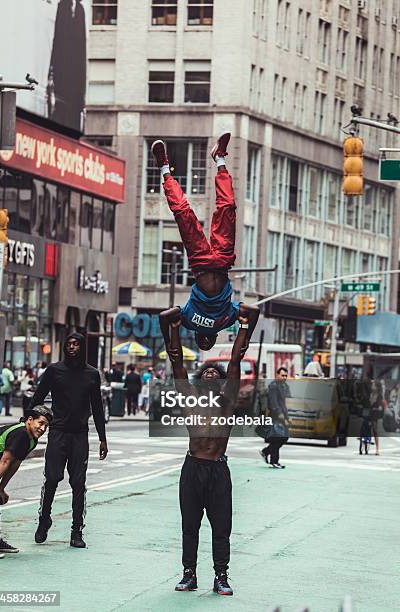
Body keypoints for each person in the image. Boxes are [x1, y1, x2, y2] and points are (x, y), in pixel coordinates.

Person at [163, 311, 254, 596]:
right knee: (189, 526)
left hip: (218, 470)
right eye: (206, 372)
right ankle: (189, 574)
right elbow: (176, 360)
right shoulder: (190, 399)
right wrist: (175, 329)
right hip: (192, 469)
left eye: (216, 371)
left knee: (221, 527)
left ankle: (221, 577)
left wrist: (244, 326)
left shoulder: (227, 401)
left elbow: (237, 359)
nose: (211, 372)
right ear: (200, 380)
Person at [154, 134, 260, 353]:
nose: (205, 343)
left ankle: (164, 167)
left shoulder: (188, 320)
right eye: (208, 344)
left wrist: (169, 341)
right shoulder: (227, 320)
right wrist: (246, 337)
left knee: (183, 213)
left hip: (200, 262)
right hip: (222, 261)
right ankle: (220, 158)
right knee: (228, 207)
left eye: (202, 344)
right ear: (214, 340)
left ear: (196, 337)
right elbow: (254, 311)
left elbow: (163, 316)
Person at [28, 333, 108, 548]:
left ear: (83, 347)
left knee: (78, 484)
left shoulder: (92, 374)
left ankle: (77, 531)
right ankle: (44, 520)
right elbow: (38, 396)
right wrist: (25, 421)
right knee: (52, 478)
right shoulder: (54, 370)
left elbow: (97, 407)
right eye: (69, 344)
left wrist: (102, 438)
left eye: (76, 344)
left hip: (80, 435)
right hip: (58, 433)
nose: (72, 347)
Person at [0, 405, 53, 559]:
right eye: (41, 423)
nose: (43, 428)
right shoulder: (20, 433)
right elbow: (4, 462)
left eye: (46, 425)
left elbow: (14, 464)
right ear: (30, 420)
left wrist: (1, 488)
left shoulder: (32, 440)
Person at [47, 0, 87, 131]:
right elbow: (57, 41)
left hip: (75, 84)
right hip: (62, 77)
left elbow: (82, 49)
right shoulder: (63, 6)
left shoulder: (80, 10)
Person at [260, 367, 291, 468]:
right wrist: (281, 416)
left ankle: (266, 451)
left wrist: (287, 417)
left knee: (283, 438)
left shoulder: (283, 386)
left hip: (281, 415)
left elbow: (283, 403)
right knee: (277, 438)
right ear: (277, 375)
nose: (284, 377)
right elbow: (274, 403)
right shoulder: (273, 386)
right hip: (274, 416)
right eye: (282, 375)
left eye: (286, 376)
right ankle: (274, 461)